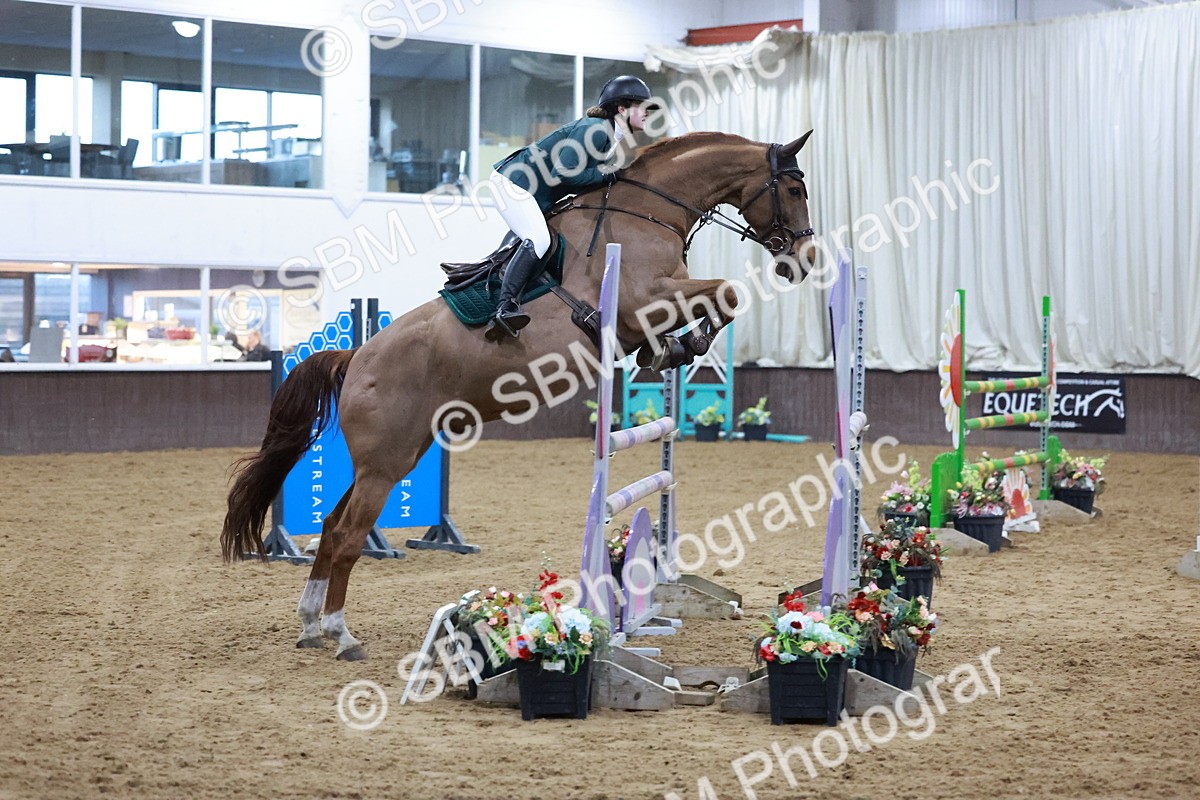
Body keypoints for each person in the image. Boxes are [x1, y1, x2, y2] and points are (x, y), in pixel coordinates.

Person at [485, 75, 659, 342]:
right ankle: (504, 309)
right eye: (642, 106)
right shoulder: (597, 130)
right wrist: (606, 175)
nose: (648, 113)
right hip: (513, 182)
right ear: (622, 109)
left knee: (545, 238)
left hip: (530, 190)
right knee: (539, 239)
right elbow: (564, 173)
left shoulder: (609, 134)